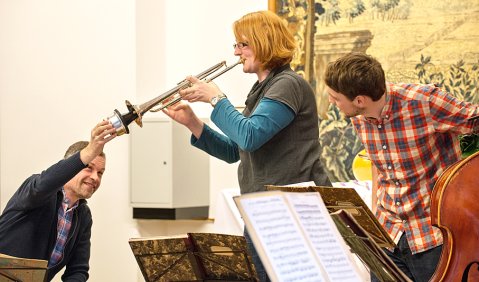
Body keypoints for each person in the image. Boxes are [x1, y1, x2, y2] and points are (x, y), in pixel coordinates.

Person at [163, 10, 331, 282]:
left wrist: (217, 99)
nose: (237, 52)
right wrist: (192, 122)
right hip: (266, 212)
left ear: (264, 42)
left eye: (243, 44)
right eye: (236, 45)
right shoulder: (262, 90)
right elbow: (235, 150)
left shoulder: (287, 84)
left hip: (291, 215)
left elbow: (249, 136)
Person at [324, 52, 479, 282]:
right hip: (388, 234)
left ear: (360, 100)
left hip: (433, 234)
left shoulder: (425, 101)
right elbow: (380, 162)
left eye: (335, 98)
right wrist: (375, 216)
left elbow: (474, 120)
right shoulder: (358, 115)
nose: (331, 102)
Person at [0, 120, 117, 281]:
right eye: (88, 168)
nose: (95, 177)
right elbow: (43, 186)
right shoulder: (37, 189)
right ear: (72, 166)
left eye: (100, 173)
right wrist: (88, 151)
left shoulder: (83, 215)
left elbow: (78, 270)